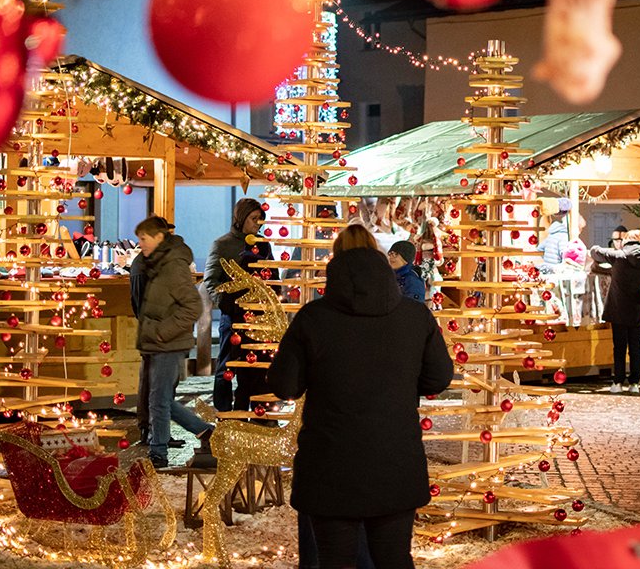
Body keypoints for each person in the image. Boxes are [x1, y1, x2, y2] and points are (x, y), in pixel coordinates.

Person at [268, 225, 453, 569]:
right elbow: (439, 377)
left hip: (330, 463)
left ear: (334, 264)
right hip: (394, 460)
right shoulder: (415, 317)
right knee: (395, 559)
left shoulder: (313, 318)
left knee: (335, 561)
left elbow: (285, 385)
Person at [134, 216, 214, 469]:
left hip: (168, 343)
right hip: (157, 342)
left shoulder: (172, 266)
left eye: (144, 239)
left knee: (158, 399)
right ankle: (204, 431)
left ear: (159, 237)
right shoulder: (156, 264)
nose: (140, 245)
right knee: (161, 399)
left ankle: (158, 453)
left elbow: (192, 306)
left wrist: (161, 332)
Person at [204, 197, 274, 412]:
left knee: (256, 367)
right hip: (233, 316)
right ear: (241, 218)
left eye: (260, 219)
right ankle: (224, 413)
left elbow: (271, 276)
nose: (257, 223)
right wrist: (226, 303)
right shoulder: (222, 244)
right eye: (254, 218)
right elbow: (211, 280)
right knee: (226, 365)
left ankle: (256, 410)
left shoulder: (263, 244)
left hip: (259, 316)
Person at [589, 229, 640, 394]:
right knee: (636, 347)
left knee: (619, 346)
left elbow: (595, 251)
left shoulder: (618, 256)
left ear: (627, 241)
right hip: (637, 307)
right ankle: (634, 384)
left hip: (618, 307)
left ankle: (617, 382)